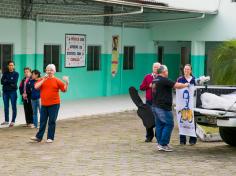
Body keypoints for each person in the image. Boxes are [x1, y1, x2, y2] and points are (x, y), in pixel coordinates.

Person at [152, 65, 189, 152]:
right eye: (167, 71)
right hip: (163, 107)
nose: (168, 72)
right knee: (169, 124)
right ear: (163, 72)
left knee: (160, 125)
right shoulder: (164, 80)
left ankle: (160, 143)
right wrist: (185, 85)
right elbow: (177, 85)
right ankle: (163, 144)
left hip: (155, 106)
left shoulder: (155, 80)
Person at [30, 64, 68, 143]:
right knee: (42, 121)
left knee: (52, 121)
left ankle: (50, 137)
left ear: (54, 71)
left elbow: (64, 90)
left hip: (54, 104)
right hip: (44, 104)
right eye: (47, 70)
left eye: (51, 70)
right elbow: (36, 87)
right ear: (45, 71)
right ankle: (38, 137)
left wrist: (67, 83)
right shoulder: (42, 79)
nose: (49, 71)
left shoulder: (57, 80)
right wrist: (44, 79)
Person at [140, 62, 160, 142]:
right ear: (152, 68)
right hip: (149, 101)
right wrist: (148, 86)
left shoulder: (161, 77)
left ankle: (158, 135)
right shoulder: (147, 77)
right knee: (148, 119)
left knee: (158, 118)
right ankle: (149, 136)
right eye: (154, 67)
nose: (155, 69)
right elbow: (141, 87)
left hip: (158, 101)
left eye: (157, 67)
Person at [177, 64, 197, 145]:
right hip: (182, 104)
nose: (186, 71)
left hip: (191, 104)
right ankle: (182, 140)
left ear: (191, 70)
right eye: (185, 69)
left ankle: (192, 140)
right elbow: (177, 89)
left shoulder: (194, 80)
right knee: (182, 121)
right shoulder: (180, 79)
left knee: (191, 121)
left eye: (188, 69)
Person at [1, 61, 19, 127]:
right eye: (10, 65)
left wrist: (7, 81)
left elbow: (14, 82)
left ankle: (13, 121)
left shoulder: (16, 74)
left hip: (13, 92)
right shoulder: (5, 73)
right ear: (8, 66)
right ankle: (6, 120)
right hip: (5, 92)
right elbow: (2, 82)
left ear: (14, 66)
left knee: (13, 107)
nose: (11, 66)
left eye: (12, 65)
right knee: (6, 107)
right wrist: (10, 81)